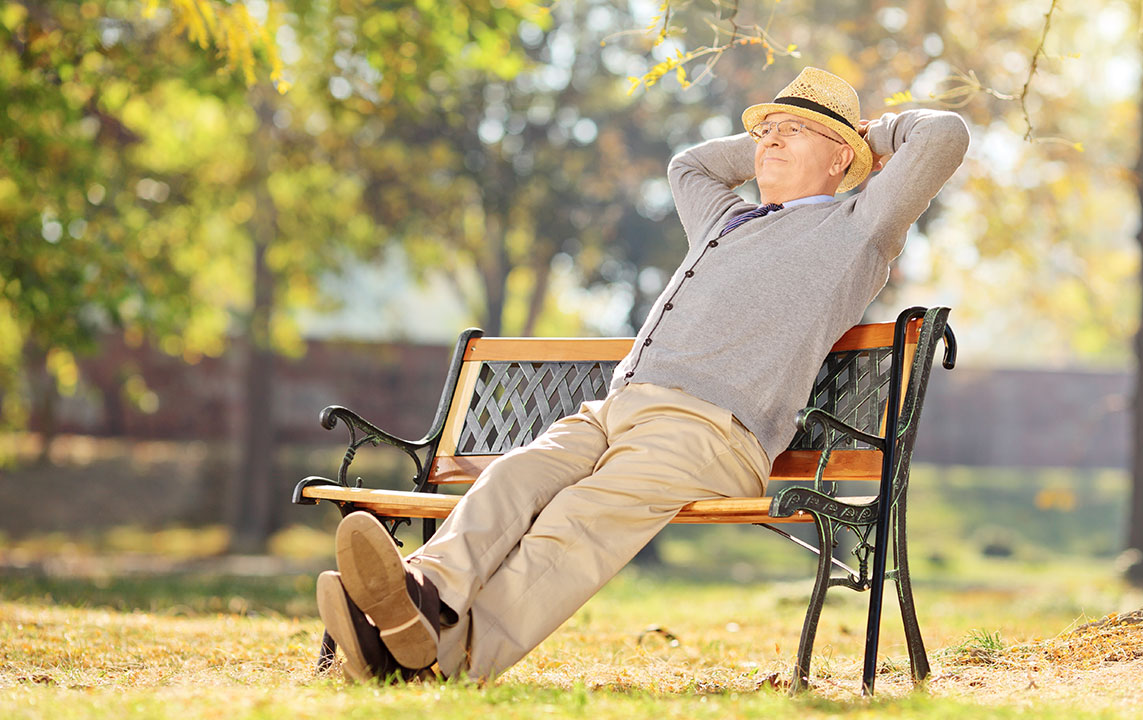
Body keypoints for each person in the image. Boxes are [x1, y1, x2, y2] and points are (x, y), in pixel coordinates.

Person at [315, 66, 969, 683]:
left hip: (709, 432)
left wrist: (868, 139)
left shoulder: (856, 228)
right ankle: (424, 596)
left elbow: (945, 136)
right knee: (515, 475)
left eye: (794, 129)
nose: (771, 138)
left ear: (839, 158)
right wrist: (772, 140)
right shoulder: (726, 218)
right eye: (766, 128)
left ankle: (446, 659)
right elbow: (690, 164)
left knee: (578, 518)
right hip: (616, 409)